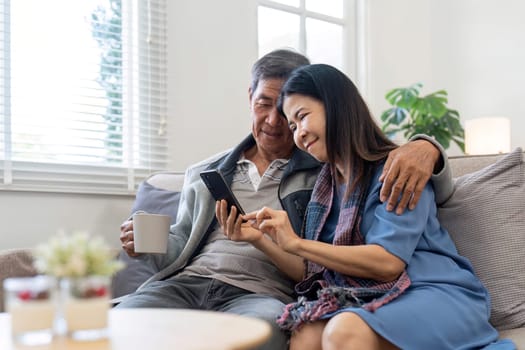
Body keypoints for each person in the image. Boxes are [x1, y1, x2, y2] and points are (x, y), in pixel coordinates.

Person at [116, 50, 449, 350]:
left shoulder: (325, 171)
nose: (275, 122)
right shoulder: (205, 172)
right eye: (264, 105)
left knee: (263, 333)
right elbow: (180, 248)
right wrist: (150, 246)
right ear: (250, 97)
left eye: (289, 114)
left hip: (260, 294)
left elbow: (392, 168)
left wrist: (427, 148)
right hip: (184, 285)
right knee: (120, 327)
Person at [224, 63, 514, 349]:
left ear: (335, 105)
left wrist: (297, 243)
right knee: (306, 335)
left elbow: (388, 263)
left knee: (344, 331)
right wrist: (261, 240)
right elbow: (313, 270)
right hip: (369, 297)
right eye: (293, 125)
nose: (298, 133)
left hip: (435, 292)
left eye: (302, 117)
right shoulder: (325, 188)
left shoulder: (400, 168)